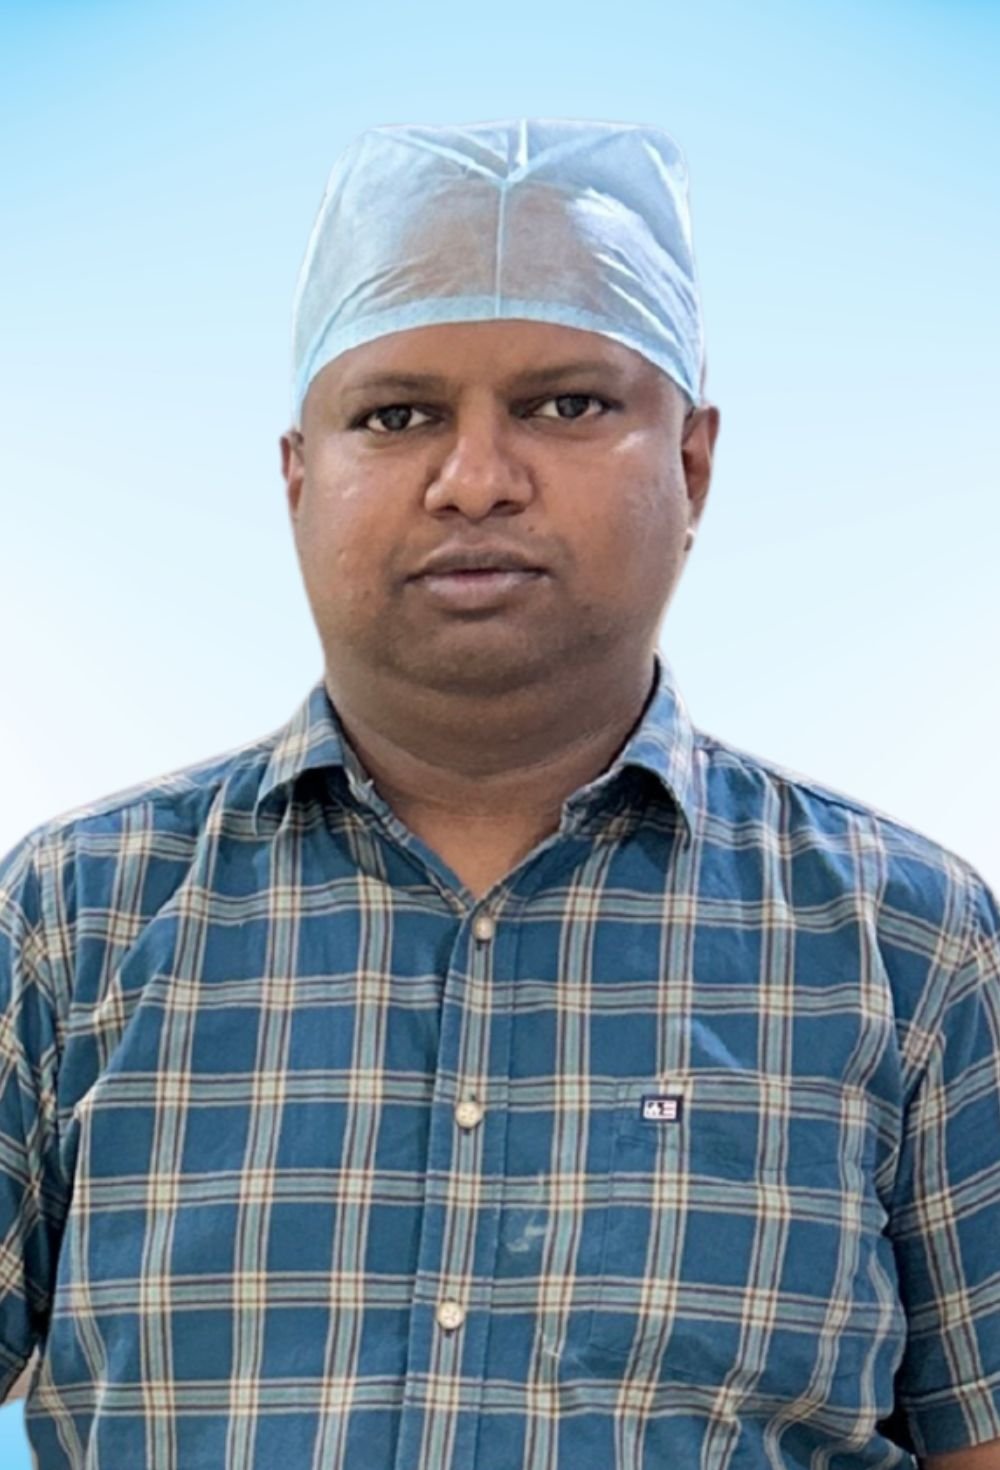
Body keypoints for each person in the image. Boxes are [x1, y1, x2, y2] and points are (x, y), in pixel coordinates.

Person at [1, 118, 998, 1470]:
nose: (475, 480)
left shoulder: (913, 948)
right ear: (298, 479)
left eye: (566, 404)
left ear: (692, 465)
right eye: (397, 415)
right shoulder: (69, 921)